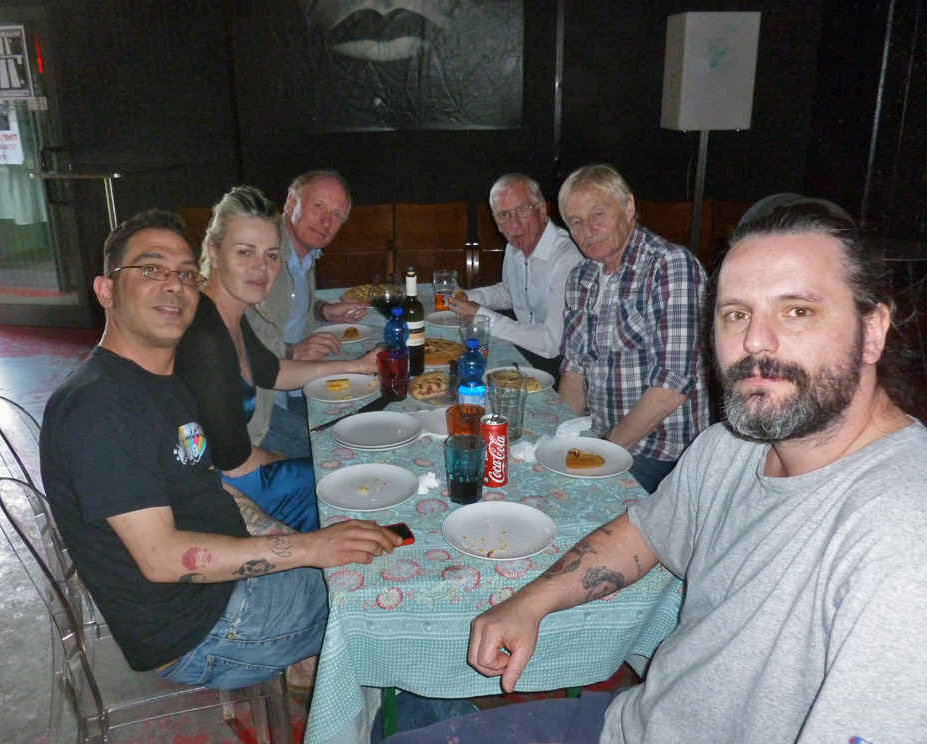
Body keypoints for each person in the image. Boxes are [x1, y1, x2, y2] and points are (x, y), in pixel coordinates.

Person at [383, 203, 927, 743]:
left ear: (873, 330)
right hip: (632, 721)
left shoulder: (901, 542)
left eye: (797, 311)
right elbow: (644, 533)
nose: (756, 341)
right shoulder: (730, 447)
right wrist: (529, 602)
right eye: (736, 314)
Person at [39, 209, 400, 690]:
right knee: (388, 594)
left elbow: (214, 487)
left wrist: (295, 539)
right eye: (151, 269)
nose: (174, 285)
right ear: (106, 290)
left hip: (225, 586)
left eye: (186, 274)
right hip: (200, 629)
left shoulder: (161, 380)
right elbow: (162, 558)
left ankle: (319, 671)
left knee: (368, 558)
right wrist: (311, 547)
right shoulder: (99, 408)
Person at [175, 186, 378, 532]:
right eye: (245, 252)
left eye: (271, 255)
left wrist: (357, 365)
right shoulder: (206, 338)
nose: (261, 268)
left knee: (351, 463)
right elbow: (235, 462)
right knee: (350, 484)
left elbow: (274, 371)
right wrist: (295, 460)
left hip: (242, 466)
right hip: (224, 489)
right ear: (213, 251)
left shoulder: (227, 311)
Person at [557, 164, 709, 493]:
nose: (588, 230)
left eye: (598, 214)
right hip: (602, 437)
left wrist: (604, 450)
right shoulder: (581, 276)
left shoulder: (670, 266)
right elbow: (574, 372)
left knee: (574, 501)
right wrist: (557, 441)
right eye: (576, 222)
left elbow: (671, 385)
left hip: (664, 456)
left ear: (628, 206)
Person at [245, 170, 365, 458]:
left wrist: (322, 309)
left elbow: (284, 305)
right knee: (337, 449)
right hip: (256, 406)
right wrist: (292, 350)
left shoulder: (305, 254)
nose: (325, 222)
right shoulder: (262, 255)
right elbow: (235, 340)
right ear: (291, 202)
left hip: (291, 388)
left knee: (360, 415)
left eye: (336, 215)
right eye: (318, 206)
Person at [448, 173, 582, 384]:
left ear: (542, 209)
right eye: (504, 215)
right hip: (526, 351)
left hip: (563, 368)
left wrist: (481, 316)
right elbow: (512, 292)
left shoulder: (567, 258)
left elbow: (551, 343)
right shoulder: (514, 247)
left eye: (522, 210)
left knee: (470, 375)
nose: (514, 224)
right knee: (458, 367)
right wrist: (468, 297)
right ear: (496, 222)